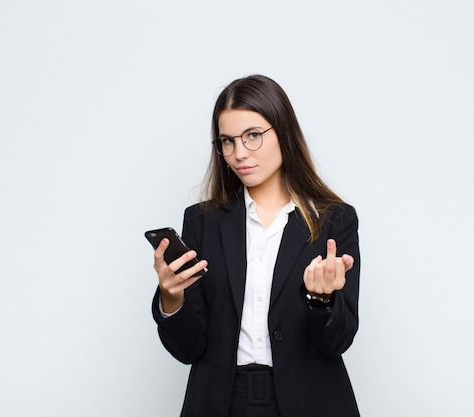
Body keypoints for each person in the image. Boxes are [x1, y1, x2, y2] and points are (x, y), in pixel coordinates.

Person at [151, 74, 361, 417]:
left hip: (310, 402)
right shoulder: (203, 222)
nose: (238, 154)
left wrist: (321, 300)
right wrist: (172, 299)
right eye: (227, 141)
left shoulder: (334, 221)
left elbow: (338, 341)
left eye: (252, 136)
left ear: (284, 132)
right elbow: (189, 349)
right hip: (222, 402)